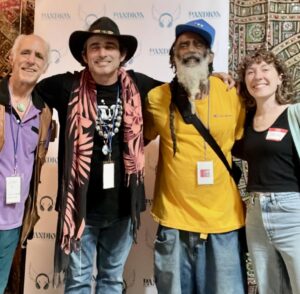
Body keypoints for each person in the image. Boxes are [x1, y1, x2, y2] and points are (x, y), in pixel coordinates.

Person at [36, 17, 162, 294]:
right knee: (78, 282)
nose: (102, 53)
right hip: (80, 207)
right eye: (95, 47)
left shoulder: (139, 86)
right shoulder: (64, 87)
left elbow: (182, 91)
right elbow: (20, 90)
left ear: (122, 54)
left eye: (109, 46)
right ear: (84, 55)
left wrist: (214, 76)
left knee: (111, 280)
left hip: (121, 208)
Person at [143, 19, 247, 294]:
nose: (190, 49)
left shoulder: (233, 95)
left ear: (210, 55)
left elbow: (242, 138)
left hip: (223, 222)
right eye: (183, 44)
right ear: (173, 55)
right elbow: (138, 137)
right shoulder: (156, 98)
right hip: (174, 222)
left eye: (198, 44)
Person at [235, 49, 300, 294]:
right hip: (255, 213)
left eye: (265, 69)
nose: (257, 76)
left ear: (280, 77)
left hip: (292, 211)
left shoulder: (295, 114)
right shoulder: (245, 120)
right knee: (268, 288)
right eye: (250, 72)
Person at [0, 34, 53, 293]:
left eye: (39, 56)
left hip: (12, 223)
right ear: (11, 57)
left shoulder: (44, 115)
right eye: (25, 53)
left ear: (45, 67)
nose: (31, 60)